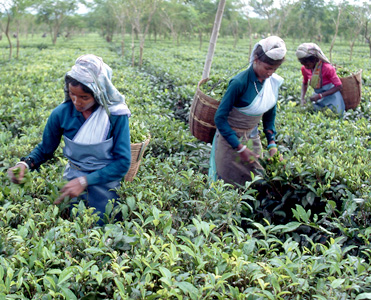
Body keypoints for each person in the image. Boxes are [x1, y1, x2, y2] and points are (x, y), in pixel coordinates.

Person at [7, 54, 131, 225]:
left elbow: (123, 162)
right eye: (72, 94)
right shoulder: (61, 113)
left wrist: (85, 181)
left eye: (84, 97)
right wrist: (25, 164)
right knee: (72, 229)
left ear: (98, 93)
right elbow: (45, 149)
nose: (76, 102)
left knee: (105, 228)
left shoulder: (116, 116)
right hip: (72, 181)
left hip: (105, 182)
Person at [209, 36, 286, 187]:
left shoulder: (272, 83)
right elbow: (220, 118)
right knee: (226, 183)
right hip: (229, 141)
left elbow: (269, 116)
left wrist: (272, 144)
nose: (270, 73)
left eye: (275, 69)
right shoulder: (239, 83)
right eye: (268, 68)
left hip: (252, 138)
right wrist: (239, 147)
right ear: (256, 59)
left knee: (254, 182)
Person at [296, 43, 345, 114]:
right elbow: (305, 83)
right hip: (318, 97)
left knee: (335, 113)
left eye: (307, 64)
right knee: (315, 112)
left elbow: (339, 86)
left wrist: (320, 96)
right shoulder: (304, 69)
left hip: (332, 97)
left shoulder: (327, 68)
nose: (306, 66)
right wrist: (302, 99)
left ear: (314, 60)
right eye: (303, 64)